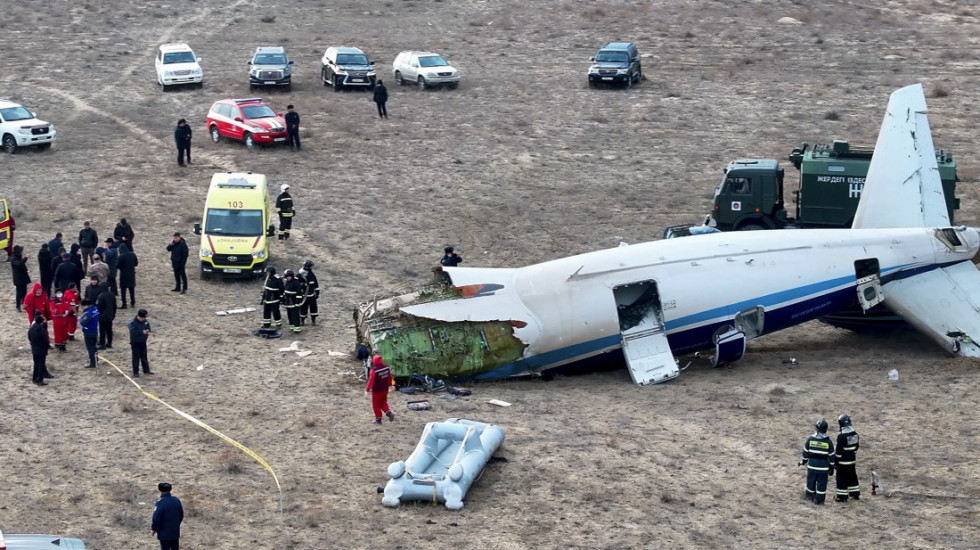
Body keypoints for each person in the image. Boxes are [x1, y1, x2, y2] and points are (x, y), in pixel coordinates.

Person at [799, 418, 835, 504]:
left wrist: (803, 462)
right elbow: (832, 457)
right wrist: (831, 467)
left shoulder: (810, 439)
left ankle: (809, 497)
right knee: (821, 485)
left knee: (810, 481)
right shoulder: (829, 442)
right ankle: (819, 500)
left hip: (812, 466)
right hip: (823, 468)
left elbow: (805, 453)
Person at [834, 414, 861, 502]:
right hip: (852, 460)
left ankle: (842, 497)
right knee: (852, 476)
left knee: (841, 478)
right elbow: (856, 447)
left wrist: (836, 462)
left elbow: (839, 451)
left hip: (843, 462)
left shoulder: (841, 436)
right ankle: (855, 494)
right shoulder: (855, 434)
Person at [151, 482, 183, 550]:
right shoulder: (176, 500)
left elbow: (156, 518)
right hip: (175, 531)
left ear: (161, 491)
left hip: (164, 533)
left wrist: (154, 528)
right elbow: (181, 515)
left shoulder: (160, 503)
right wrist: (176, 524)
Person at [366, 355, 395, 425]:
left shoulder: (374, 370)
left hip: (377, 391)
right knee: (383, 403)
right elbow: (390, 377)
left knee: (375, 405)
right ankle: (389, 413)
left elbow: (371, 380)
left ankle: (378, 419)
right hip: (385, 389)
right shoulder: (386, 368)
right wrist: (390, 385)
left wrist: (367, 389)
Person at [28, 313, 52, 386]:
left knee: (36, 364)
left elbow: (29, 337)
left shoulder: (31, 328)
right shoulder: (41, 330)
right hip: (41, 350)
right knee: (41, 364)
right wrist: (47, 346)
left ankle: (35, 378)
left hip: (34, 349)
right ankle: (40, 380)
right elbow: (45, 340)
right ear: (41, 322)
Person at [129, 308, 152, 376]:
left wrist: (148, 330)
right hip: (135, 342)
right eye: (142, 318)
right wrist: (142, 332)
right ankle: (135, 372)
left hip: (143, 341)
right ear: (138, 316)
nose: (143, 319)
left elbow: (148, 326)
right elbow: (133, 332)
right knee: (136, 358)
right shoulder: (133, 323)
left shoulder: (145, 321)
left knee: (144, 356)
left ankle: (146, 370)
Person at [79, 298, 100, 369]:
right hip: (95, 331)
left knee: (90, 348)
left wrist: (80, 319)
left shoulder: (88, 313)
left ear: (86, 305)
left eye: (82, 306)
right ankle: (96, 360)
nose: (82, 308)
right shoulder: (95, 309)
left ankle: (92, 363)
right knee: (94, 347)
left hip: (88, 332)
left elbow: (83, 322)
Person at [116, 243, 138, 309]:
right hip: (131, 275)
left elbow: (117, 265)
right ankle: (133, 302)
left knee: (123, 290)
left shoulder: (121, 256)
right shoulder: (132, 254)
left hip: (124, 275)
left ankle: (124, 304)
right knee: (131, 290)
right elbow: (136, 263)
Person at [298, 259, 319, 326]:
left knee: (313, 308)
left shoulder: (311, 274)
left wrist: (317, 291)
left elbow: (315, 283)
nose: (311, 268)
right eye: (311, 267)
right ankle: (302, 321)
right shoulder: (299, 275)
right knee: (303, 308)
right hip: (304, 295)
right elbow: (296, 285)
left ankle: (313, 320)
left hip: (311, 294)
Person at [96, 283, 116, 350]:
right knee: (109, 329)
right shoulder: (112, 294)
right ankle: (109, 343)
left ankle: (102, 344)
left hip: (102, 316)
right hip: (110, 315)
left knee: (102, 330)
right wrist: (113, 314)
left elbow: (99, 307)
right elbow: (114, 306)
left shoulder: (100, 296)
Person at [11, 245, 30, 311]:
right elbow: (19, 264)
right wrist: (25, 258)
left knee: (24, 292)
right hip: (18, 279)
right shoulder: (13, 259)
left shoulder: (18, 257)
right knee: (19, 293)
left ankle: (24, 303)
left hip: (23, 278)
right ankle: (18, 306)